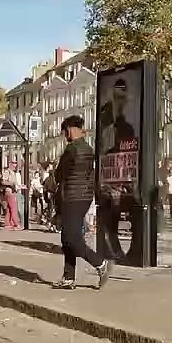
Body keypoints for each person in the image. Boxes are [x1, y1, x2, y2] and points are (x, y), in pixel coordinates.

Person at [53, 115, 110, 289]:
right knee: (66, 238)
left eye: (65, 132)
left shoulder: (71, 150)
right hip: (84, 196)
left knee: (72, 238)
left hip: (72, 196)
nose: (65, 136)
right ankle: (68, 277)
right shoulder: (88, 149)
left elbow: (59, 175)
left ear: (69, 129)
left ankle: (100, 263)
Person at [2, 160, 22, 230]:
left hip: (12, 191)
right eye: (13, 163)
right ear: (10, 164)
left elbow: (16, 184)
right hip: (9, 192)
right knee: (14, 208)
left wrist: (20, 186)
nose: (15, 165)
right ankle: (16, 224)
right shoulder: (7, 172)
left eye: (16, 163)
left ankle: (8, 223)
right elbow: (3, 181)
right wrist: (12, 183)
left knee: (9, 209)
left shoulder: (13, 173)